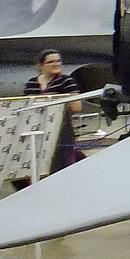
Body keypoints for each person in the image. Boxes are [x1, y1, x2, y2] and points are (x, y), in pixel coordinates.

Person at [22, 49, 81, 178]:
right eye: (51, 62)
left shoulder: (66, 81)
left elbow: (77, 106)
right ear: (41, 66)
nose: (56, 64)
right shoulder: (32, 83)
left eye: (58, 61)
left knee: (62, 162)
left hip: (61, 129)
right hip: (38, 128)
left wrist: (57, 102)